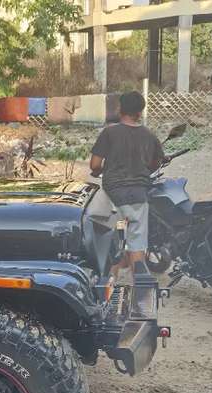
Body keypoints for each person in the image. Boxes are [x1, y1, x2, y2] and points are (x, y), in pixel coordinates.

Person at [89, 91, 165, 281]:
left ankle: (109, 291)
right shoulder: (149, 135)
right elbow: (156, 164)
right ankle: (139, 290)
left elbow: (95, 165)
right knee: (137, 244)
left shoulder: (109, 132)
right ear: (140, 112)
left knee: (110, 244)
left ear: (120, 109)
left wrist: (100, 171)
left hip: (113, 198)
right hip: (139, 197)